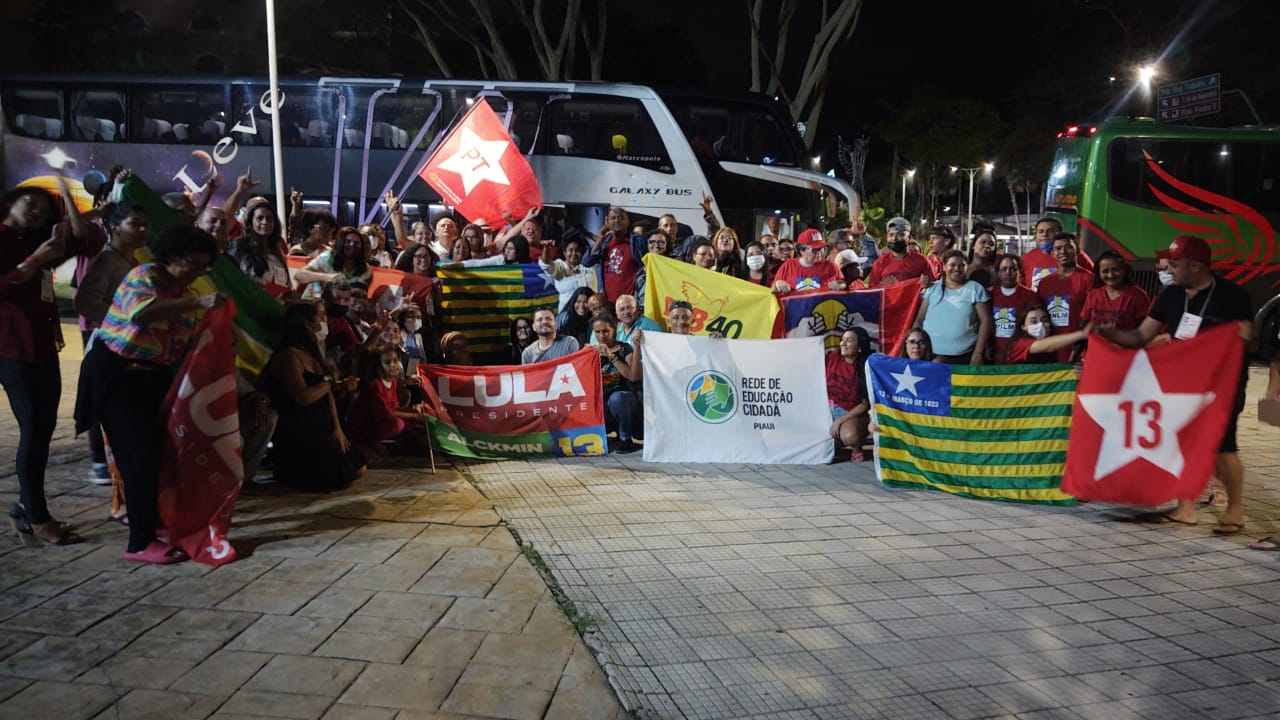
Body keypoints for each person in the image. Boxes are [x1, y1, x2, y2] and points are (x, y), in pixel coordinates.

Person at [76, 225, 223, 562]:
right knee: (137, 459)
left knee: (155, 457)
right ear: (171, 256)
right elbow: (140, 314)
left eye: (203, 268)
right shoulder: (145, 276)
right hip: (118, 375)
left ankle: (155, 524)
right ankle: (139, 542)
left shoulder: (184, 291)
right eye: (192, 264)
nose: (197, 273)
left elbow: (181, 344)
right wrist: (197, 301)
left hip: (152, 379)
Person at [1096, 235, 1250, 536]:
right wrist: (1105, 334)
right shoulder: (1170, 295)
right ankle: (1185, 509)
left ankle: (1236, 509)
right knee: (1181, 442)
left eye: (1175, 264)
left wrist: (1241, 335)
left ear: (1195, 266)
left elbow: (1250, 340)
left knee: (1223, 446)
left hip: (1223, 384)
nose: (1168, 268)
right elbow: (1141, 336)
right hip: (1183, 383)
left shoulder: (1232, 296)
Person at [3, 181, 99, 546]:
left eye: (43, 210)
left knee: (41, 429)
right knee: (33, 428)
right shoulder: (9, 241)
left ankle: (28, 510)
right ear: (10, 203)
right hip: (12, 347)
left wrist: (71, 201)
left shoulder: (33, 242)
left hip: (42, 345)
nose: (35, 212)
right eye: (30, 203)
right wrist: (35, 261)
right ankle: (37, 517)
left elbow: (81, 242)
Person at [73, 201, 148, 485]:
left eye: (144, 224)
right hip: (114, 350)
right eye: (134, 223)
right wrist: (122, 322)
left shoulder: (131, 260)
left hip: (131, 350)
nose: (142, 230)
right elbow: (85, 301)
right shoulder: (106, 261)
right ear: (114, 228)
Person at [264, 301, 366, 492]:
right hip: (299, 428)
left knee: (358, 468)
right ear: (307, 324)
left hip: (322, 425)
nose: (325, 321)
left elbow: (328, 395)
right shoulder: (289, 356)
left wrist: (337, 429)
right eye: (321, 317)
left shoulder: (313, 354)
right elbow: (301, 396)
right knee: (337, 476)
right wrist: (328, 385)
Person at [346, 345, 426, 458]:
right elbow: (387, 413)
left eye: (396, 360)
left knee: (413, 420)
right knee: (398, 424)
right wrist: (414, 415)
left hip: (380, 420)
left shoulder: (392, 381)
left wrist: (413, 409)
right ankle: (365, 445)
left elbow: (394, 408)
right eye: (388, 362)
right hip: (364, 426)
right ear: (378, 366)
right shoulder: (376, 385)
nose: (394, 365)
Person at [914, 251, 992, 364]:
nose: (957, 268)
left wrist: (978, 353)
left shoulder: (975, 289)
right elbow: (919, 321)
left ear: (967, 267)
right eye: (952, 265)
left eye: (962, 265)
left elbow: (986, 320)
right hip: (929, 356)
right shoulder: (931, 288)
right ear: (944, 267)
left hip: (964, 357)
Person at [1036, 233, 1094, 361]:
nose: (1062, 251)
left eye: (1068, 247)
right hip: (1050, 351)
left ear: (1077, 250)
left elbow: (1092, 318)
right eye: (1058, 248)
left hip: (1078, 352)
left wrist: (1081, 350)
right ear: (1052, 253)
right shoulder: (1044, 283)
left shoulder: (1089, 279)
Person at [591, 314, 642, 454]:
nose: (602, 335)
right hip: (602, 404)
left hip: (625, 403)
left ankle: (626, 439)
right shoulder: (591, 352)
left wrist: (611, 357)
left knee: (618, 398)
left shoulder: (625, 348)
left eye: (606, 331)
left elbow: (633, 376)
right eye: (597, 332)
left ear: (614, 329)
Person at [584, 206, 646, 302]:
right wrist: (600, 238)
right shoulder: (604, 243)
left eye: (621, 218)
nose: (617, 220)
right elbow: (587, 262)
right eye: (613, 218)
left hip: (631, 304)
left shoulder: (638, 241)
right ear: (607, 222)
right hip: (608, 304)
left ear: (627, 221)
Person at [828, 328, 871, 460]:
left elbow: (865, 404)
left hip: (850, 414)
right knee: (823, 444)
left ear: (859, 347)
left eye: (849, 340)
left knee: (850, 436)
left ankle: (855, 447)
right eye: (843, 340)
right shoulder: (831, 358)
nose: (843, 343)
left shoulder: (866, 368)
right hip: (827, 410)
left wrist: (840, 421)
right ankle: (835, 442)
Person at [228, 202, 290, 293]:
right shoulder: (239, 246)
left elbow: (285, 283)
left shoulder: (277, 249)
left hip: (276, 304)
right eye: (260, 218)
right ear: (251, 222)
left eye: (269, 219)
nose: (265, 222)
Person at [989, 254, 1041, 362]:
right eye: (1004, 269)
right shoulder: (990, 294)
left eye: (1013, 269)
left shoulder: (1030, 296)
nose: (1008, 273)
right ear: (998, 273)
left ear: (1019, 272)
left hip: (1020, 355)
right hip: (993, 355)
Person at [297, 226, 372, 299]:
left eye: (356, 243)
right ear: (341, 243)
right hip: (313, 304)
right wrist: (327, 277)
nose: (352, 245)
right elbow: (299, 275)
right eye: (348, 241)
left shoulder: (366, 271)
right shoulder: (328, 257)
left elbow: (360, 297)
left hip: (340, 308)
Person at [1080, 250, 1148, 330]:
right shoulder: (1093, 295)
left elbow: (1144, 331)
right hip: (1094, 342)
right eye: (1105, 271)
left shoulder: (1138, 296)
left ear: (1125, 270)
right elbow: (1084, 326)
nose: (1110, 275)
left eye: (1115, 270)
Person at [998, 306, 1089, 364]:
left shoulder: (1053, 349)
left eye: (1045, 320)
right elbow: (1046, 346)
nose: (1040, 324)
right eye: (1033, 321)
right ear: (1023, 326)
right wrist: (1082, 334)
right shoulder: (1018, 344)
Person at [540, 229, 599, 313]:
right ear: (564, 252)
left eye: (577, 250)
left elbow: (601, 246)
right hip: (567, 316)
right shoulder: (560, 266)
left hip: (589, 314)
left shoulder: (588, 267)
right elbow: (546, 264)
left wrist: (591, 235)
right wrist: (546, 248)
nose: (574, 253)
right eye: (570, 250)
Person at [771, 230, 844, 295]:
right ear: (801, 250)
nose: (819, 252)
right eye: (814, 249)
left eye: (821, 248)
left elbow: (843, 282)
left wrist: (841, 285)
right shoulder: (788, 266)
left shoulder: (830, 266)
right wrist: (778, 284)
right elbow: (773, 289)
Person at [867, 217, 931, 287]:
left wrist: (926, 285)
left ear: (909, 237)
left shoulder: (922, 261)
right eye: (891, 235)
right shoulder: (879, 264)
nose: (894, 238)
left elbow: (934, 289)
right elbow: (872, 291)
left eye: (900, 235)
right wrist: (882, 285)